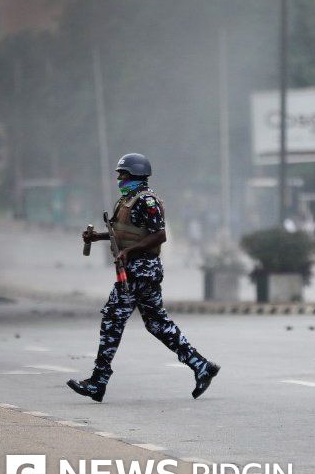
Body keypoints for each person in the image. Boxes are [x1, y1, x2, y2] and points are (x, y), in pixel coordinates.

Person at [68, 153, 219, 402]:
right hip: (136, 270)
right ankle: (201, 365)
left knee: (113, 319)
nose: (120, 179)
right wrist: (97, 238)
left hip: (141, 270)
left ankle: (98, 381)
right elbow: (124, 234)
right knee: (157, 323)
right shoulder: (126, 201)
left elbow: (159, 235)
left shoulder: (147, 200)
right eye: (119, 175)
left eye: (124, 174)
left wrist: (130, 251)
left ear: (137, 175)